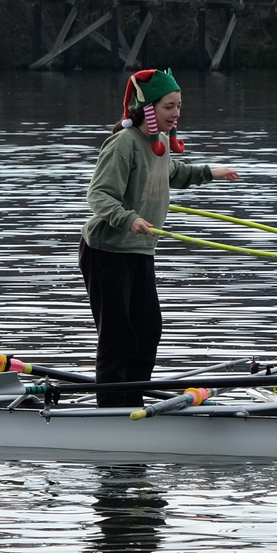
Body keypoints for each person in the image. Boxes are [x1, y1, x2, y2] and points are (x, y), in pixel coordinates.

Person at [80, 69, 240, 407]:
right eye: (170, 106)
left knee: (148, 331)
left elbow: (173, 173)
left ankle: (132, 401)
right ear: (148, 108)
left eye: (179, 106)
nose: (177, 113)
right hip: (107, 250)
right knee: (118, 336)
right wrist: (129, 218)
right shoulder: (123, 144)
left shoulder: (160, 142)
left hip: (140, 250)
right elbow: (98, 195)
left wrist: (212, 172)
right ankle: (110, 410)